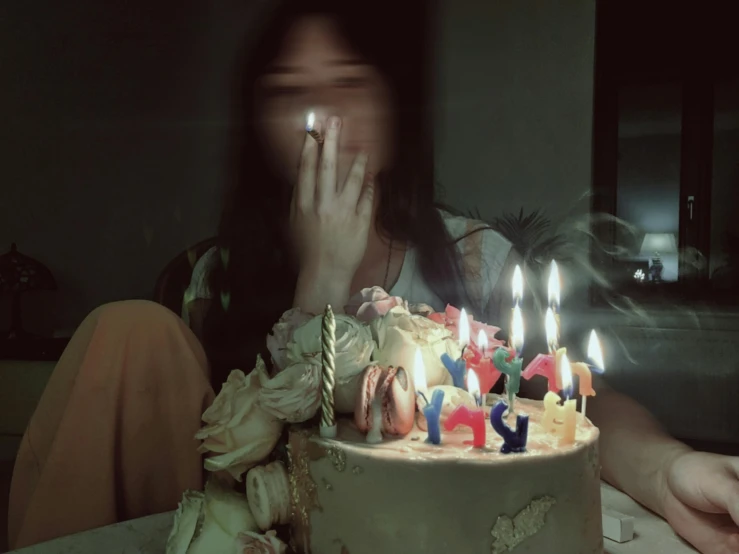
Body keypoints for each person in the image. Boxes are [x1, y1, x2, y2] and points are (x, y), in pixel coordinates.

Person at [8, 1, 738, 553]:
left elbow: (575, 405)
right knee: (126, 328)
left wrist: (667, 468)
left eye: (348, 84)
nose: (320, 118)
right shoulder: (219, 277)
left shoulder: (472, 259)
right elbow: (224, 476)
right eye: (290, 92)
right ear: (256, 121)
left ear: (394, 107)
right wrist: (320, 273)